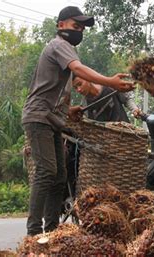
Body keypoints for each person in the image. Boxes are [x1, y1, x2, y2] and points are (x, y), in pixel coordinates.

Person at [21, 6, 134, 236]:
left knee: (60, 175)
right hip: (39, 116)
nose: (79, 31)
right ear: (61, 25)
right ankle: (33, 232)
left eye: (82, 28)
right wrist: (110, 82)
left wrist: (68, 109)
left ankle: (51, 230)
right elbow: (79, 70)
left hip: (53, 118)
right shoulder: (59, 45)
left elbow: (59, 87)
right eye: (76, 26)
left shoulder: (67, 49)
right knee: (46, 171)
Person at [73, 76, 142, 122]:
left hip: (126, 133)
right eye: (75, 88)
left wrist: (134, 109)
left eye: (80, 84)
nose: (78, 90)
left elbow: (126, 99)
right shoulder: (84, 107)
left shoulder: (109, 86)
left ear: (88, 79)